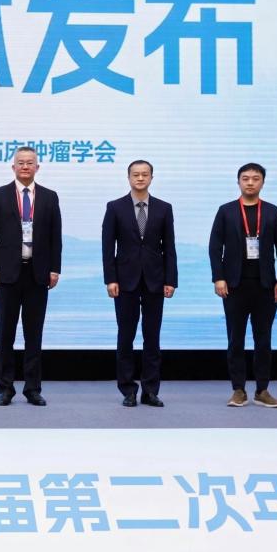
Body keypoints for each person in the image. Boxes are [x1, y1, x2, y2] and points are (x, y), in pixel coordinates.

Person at [0, 146, 62, 406]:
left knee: (34, 335)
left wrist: (55, 268)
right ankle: (6, 388)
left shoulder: (49, 197)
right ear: (13, 167)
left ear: (37, 167)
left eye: (30, 163)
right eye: (21, 162)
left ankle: (32, 389)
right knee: (5, 334)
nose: (25, 166)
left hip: (37, 274)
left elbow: (55, 237)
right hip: (7, 275)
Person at [208, 163, 277, 408]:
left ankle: (262, 390)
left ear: (262, 182)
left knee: (263, 340)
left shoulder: (273, 212)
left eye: (255, 178)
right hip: (234, 285)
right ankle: (238, 390)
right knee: (236, 339)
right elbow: (215, 246)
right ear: (239, 182)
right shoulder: (226, 211)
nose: (250, 182)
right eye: (245, 178)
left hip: (265, 285)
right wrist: (218, 277)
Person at [101, 159, 177, 408]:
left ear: (152, 178)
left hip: (155, 280)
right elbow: (107, 246)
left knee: (152, 337)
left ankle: (150, 391)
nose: (140, 178)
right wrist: (110, 279)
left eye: (145, 174)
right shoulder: (115, 207)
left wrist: (171, 280)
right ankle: (128, 390)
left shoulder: (164, 208)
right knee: (125, 336)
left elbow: (170, 247)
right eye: (136, 174)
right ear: (129, 177)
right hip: (124, 281)